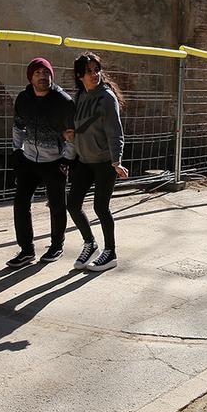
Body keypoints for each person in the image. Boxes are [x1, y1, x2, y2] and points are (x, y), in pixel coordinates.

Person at [7, 57, 75, 269]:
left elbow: (73, 134)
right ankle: (26, 250)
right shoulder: (23, 99)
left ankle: (57, 245)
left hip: (54, 161)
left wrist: (66, 158)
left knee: (57, 205)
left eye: (46, 73)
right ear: (30, 77)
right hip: (29, 159)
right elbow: (18, 127)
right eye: (37, 73)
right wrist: (17, 151)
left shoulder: (63, 101)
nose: (42, 76)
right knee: (20, 203)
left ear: (51, 75)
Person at [66, 52, 129, 272]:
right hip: (84, 161)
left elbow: (115, 132)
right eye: (89, 72)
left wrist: (117, 161)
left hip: (104, 162)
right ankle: (90, 243)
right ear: (79, 76)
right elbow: (78, 129)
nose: (94, 75)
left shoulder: (106, 98)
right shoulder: (80, 97)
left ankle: (110, 252)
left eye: (97, 70)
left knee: (101, 207)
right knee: (72, 204)